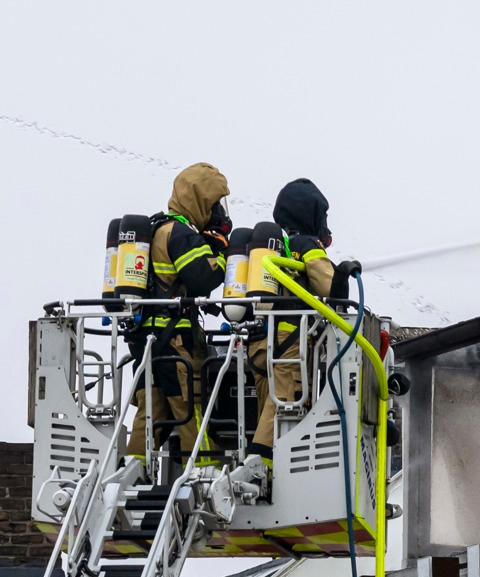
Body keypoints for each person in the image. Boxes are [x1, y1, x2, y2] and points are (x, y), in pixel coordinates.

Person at [125, 162, 232, 468]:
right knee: (191, 411)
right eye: (213, 204)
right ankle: (203, 474)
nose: (217, 212)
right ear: (199, 199)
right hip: (175, 344)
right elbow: (204, 277)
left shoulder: (159, 229)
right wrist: (220, 247)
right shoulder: (181, 233)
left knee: (150, 415)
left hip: (148, 341)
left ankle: (132, 472)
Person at [246, 178, 336, 466]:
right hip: (288, 347)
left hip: (257, 343)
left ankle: (266, 463)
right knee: (282, 406)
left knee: (267, 407)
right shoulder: (305, 244)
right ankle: (262, 468)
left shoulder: (267, 246)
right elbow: (327, 286)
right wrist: (343, 271)